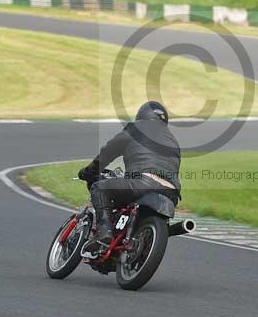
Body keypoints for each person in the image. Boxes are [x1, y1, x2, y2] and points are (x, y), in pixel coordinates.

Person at [78, 101, 181, 254]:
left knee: (99, 188)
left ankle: (103, 233)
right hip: (171, 192)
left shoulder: (136, 129)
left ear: (142, 115)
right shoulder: (173, 141)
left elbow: (109, 151)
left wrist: (90, 170)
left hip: (142, 182)